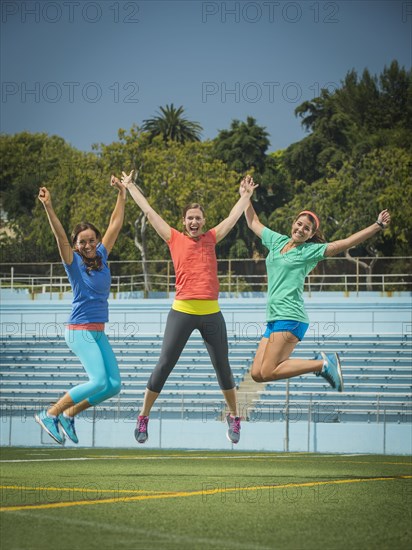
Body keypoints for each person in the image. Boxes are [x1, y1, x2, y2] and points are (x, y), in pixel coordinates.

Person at [120, 170, 258, 445]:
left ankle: (234, 417)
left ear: (203, 221)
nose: (194, 221)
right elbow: (149, 211)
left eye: (198, 218)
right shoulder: (174, 238)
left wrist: (245, 196)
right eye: (190, 218)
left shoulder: (211, 238)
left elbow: (232, 219)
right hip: (182, 311)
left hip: (211, 313)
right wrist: (132, 186)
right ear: (183, 222)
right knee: (164, 364)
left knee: (223, 367)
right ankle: (143, 416)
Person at [243, 176, 391, 389]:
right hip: (274, 318)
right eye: (299, 224)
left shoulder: (310, 251)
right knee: (257, 374)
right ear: (293, 223)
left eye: (307, 228)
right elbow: (252, 222)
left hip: (290, 316)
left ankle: (322, 364)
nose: (301, 229)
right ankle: (321, 364)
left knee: (268, 370)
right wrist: (246, 196)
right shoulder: (277, 241)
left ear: (312, 234)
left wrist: (376, 226)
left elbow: (345, 243)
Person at [34, 175, 126, 444]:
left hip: (97, 332)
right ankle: (50, 413)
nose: (88, 245)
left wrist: (122, 194)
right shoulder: (73, 263)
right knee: (98, 381)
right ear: (75, 246)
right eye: (82, 242)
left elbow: (116, 224)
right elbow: (60, 236)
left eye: (92, 240)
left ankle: (69, 414)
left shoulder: (103, 257)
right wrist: (49, 206)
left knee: (113, 385)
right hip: (79, 331)